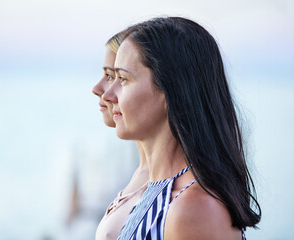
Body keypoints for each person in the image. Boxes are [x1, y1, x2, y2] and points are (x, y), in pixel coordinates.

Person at [103, 17, 261, 240]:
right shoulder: (158, 193)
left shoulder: (194, 209)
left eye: (123, 79)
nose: (108, 95)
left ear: (170, 90)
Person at [92, 30, 149, 240]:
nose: (100, 89)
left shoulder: (183, 197)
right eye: (109, 77)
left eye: (117, 77)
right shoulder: (140, 175)